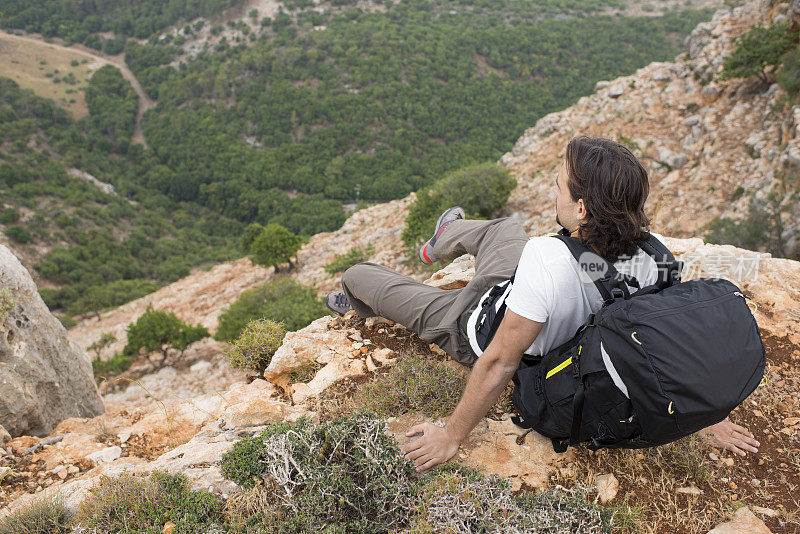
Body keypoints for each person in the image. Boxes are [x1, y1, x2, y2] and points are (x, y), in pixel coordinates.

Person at [326, 136, 759, 472]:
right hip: (543, 300)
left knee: (361, 275)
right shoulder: (655, 258)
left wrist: (452, 435)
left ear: (583, 208)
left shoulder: (545, 256)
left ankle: (353, 302)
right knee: (505, 229)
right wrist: (707, 414)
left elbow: (499, 361)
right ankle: (446, 237)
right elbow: (674, 337)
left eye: (558, 187)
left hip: (473, 325)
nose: (553, 193)